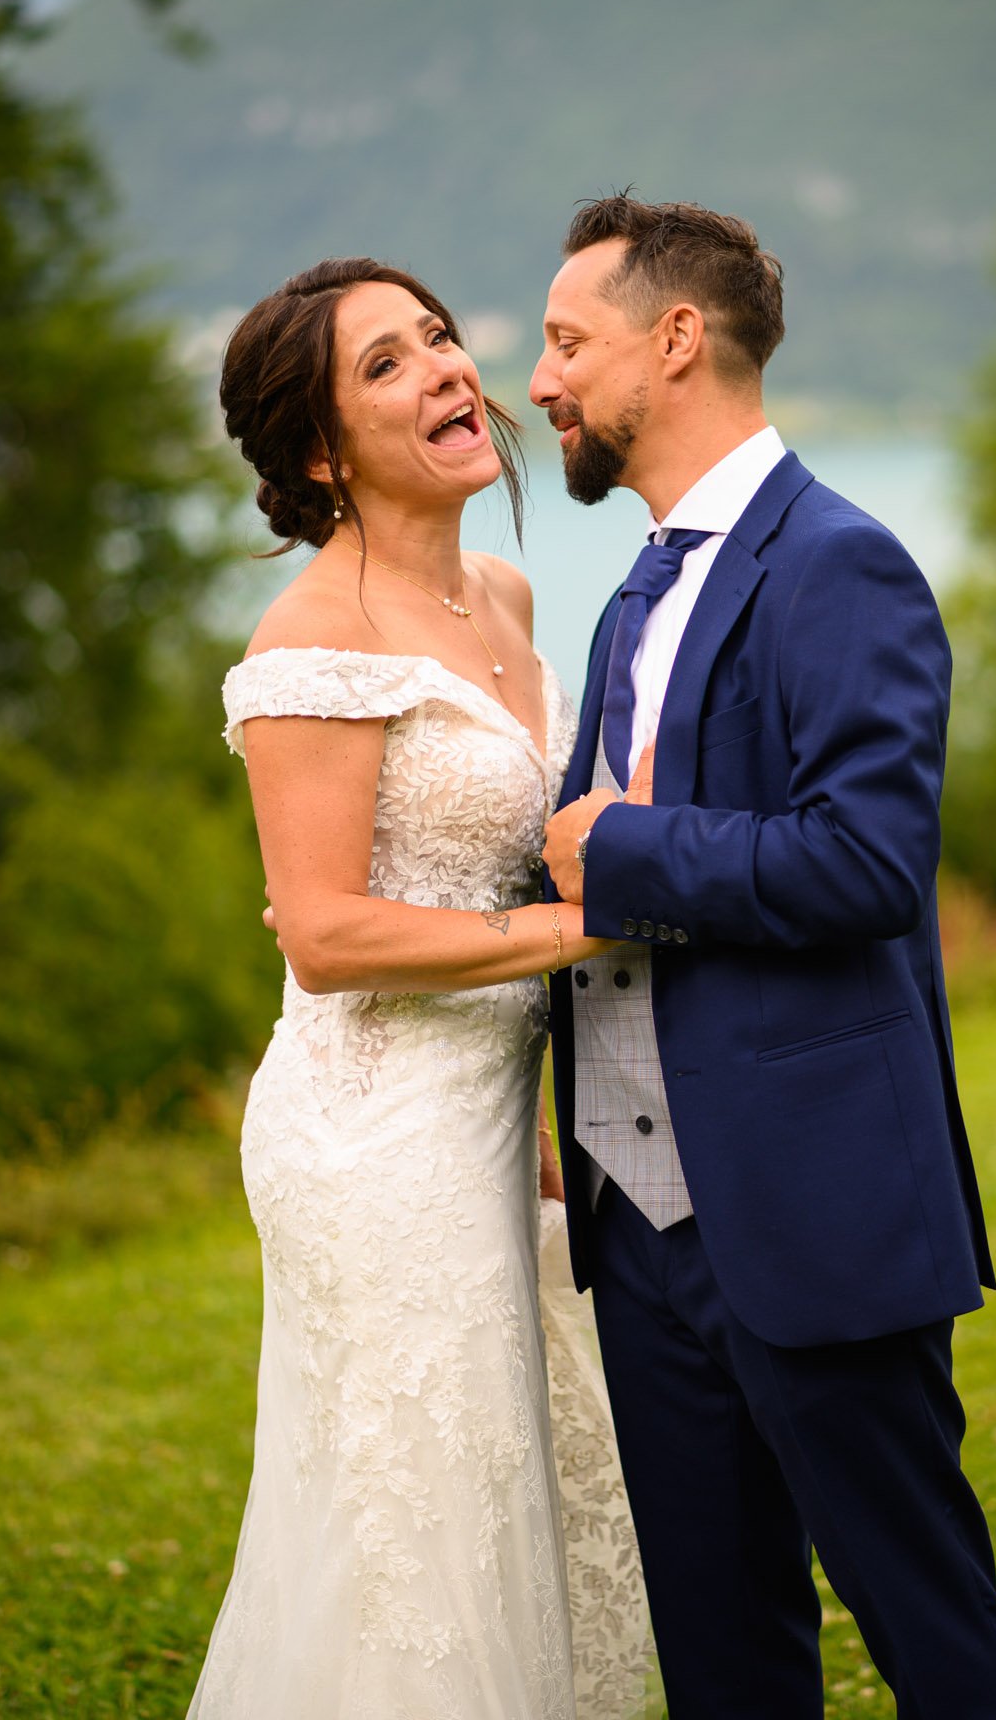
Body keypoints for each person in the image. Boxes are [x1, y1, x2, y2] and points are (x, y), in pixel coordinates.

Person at [535, 196, 996, 1719]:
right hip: (634, 1225)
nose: (539, 380)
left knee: (922, 1620)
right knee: (724, 1654)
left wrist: (613, 852)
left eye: (564, 342)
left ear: (674, 339)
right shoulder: (633, 582)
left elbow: (866, 863)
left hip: (810, 1204)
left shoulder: (838, 563)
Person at [190, 258, 651, 1720]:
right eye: (385, 365)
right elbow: (326, 936)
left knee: (511, 1499)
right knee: (422, 1525)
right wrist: (589, 927)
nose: (447, 371)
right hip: (371, 1140)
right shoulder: (309, 643)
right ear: (321, 453)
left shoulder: (504, 592)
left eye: (440, 339)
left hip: (487, 1117)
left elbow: (500, 871)